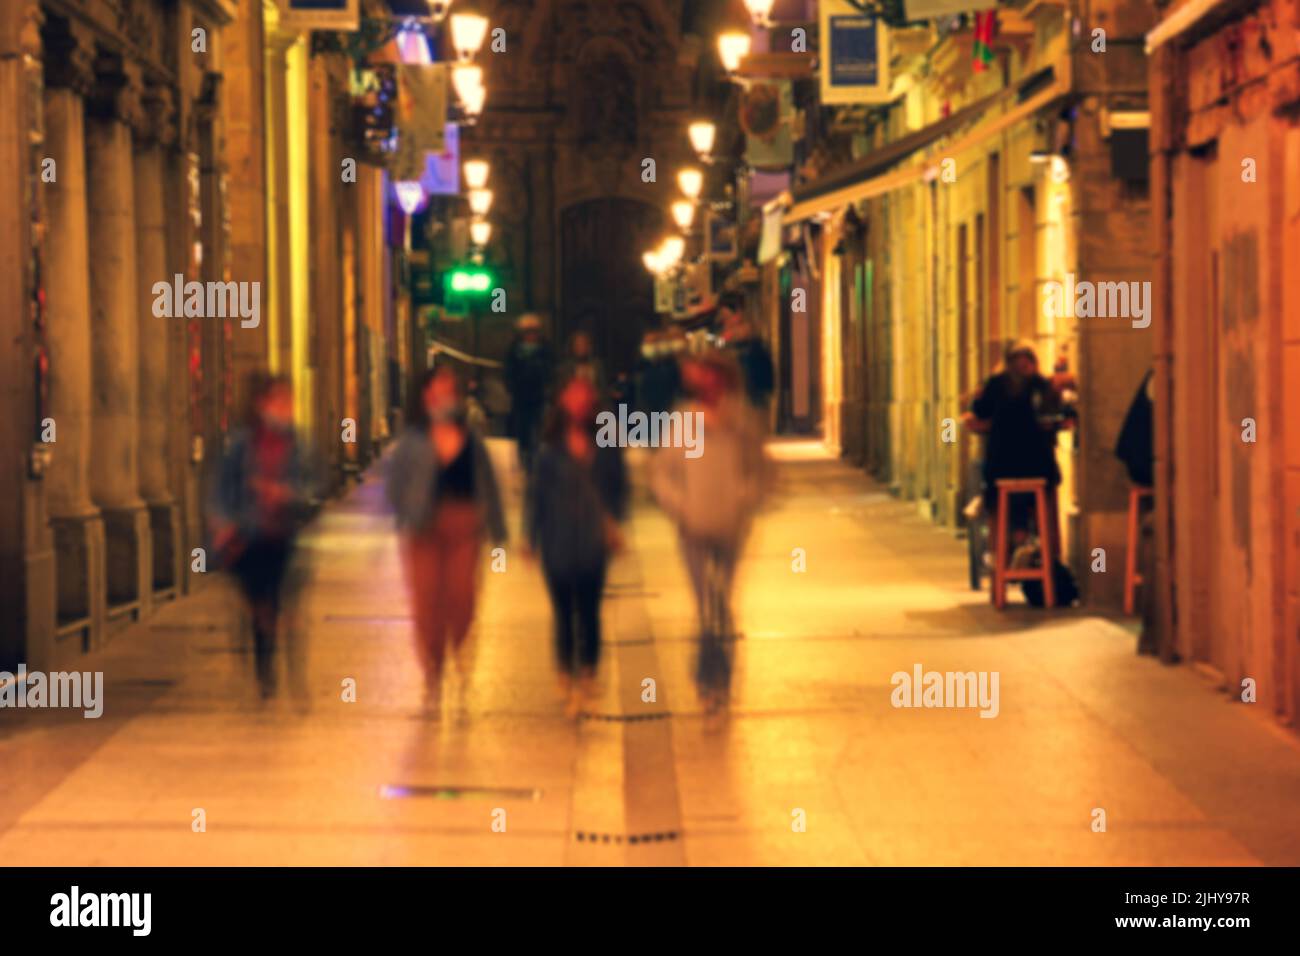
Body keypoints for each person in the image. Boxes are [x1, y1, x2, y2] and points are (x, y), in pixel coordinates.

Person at [649, 352, 769, 717]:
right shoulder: (684, 421)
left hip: (730, 527)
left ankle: (722, 678)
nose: (707, 384)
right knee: (706, 606)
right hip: (693, 528)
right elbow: (662, 473)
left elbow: (761, 469)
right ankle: (707, 679)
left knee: (722, 603)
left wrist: (744, 499)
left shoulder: (742, 420)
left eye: (712, 376)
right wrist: (680, 506)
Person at [386, 366, 507, 716]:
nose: (444, 396)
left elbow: (488, 483)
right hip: (422, 530)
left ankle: (462, 659)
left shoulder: (471, 438)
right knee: (427, 605)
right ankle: (433, 675)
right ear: (424, 395)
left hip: (464, 525)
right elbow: (395, 487)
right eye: (437, 389)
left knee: (461, 597)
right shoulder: (411, 441)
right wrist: (406, 515)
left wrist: (498, 530)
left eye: (449, 389)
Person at [525, 376, 628, 718]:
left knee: (590, 611)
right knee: (563, 613)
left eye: (585, 392)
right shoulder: (548, 448)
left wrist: (616, 522)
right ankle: (565, 674)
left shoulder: (607, 440)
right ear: (562, 399)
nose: (579, 398)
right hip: (557, 540)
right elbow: (536, 497)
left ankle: (588, 674)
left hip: (593, 540)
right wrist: (530, 536)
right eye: (572, 392)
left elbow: (619, 486)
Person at [210, 375, 315, 701]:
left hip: (284, 536)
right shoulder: (242, 445)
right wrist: (223, 523)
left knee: (284, 605)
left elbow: (314, 487)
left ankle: (288, 670)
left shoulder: (298, 444)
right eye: (278, 401)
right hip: (251, 537)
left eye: (287, 402)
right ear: (261, 404)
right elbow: (222, 488)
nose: (283, 409)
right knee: (260, 606)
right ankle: (265, 670)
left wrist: (288, 494)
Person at [503, 313, 554, 475]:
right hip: (521, 396)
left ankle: (536, 458)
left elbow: (550, 369)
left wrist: (547, 385)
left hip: (538, 395)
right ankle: (525, 458)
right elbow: (508, 371)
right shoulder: (515, 350)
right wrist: (512, 386)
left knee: (538, 429)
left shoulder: (544, 350)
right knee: (523, 429)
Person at [718, 294, 774, 412]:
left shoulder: (747, 336)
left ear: (738, 313)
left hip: (751, 392)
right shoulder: (733, 337)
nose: (725, 322)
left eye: (727, 317)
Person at [558, 329, 605, 398]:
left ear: (589, 346)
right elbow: (560, 393)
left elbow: (603, 390)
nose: (581, 347)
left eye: (584, 344)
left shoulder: (597, 365)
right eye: (578, 344)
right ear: (572, 347)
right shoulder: (564, 368)